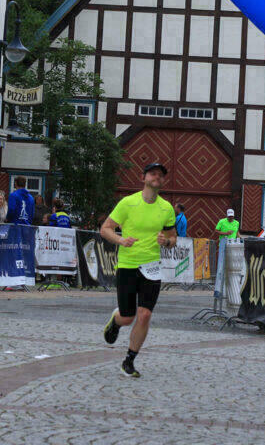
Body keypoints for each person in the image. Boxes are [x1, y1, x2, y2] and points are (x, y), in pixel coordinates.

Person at [101, 162, 176, 378]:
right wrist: (121, 240)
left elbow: (173, 238)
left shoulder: (166, 208)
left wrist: (166, 242)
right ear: (143, 178)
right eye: (152, 174)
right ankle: (116, 321)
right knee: (128, 317)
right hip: (128, 265)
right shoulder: (128, 203)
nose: (157, 177)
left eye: (160, 175)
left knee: (145, 314)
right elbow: (105, 229)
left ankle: (129, 360)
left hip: (152, 267)